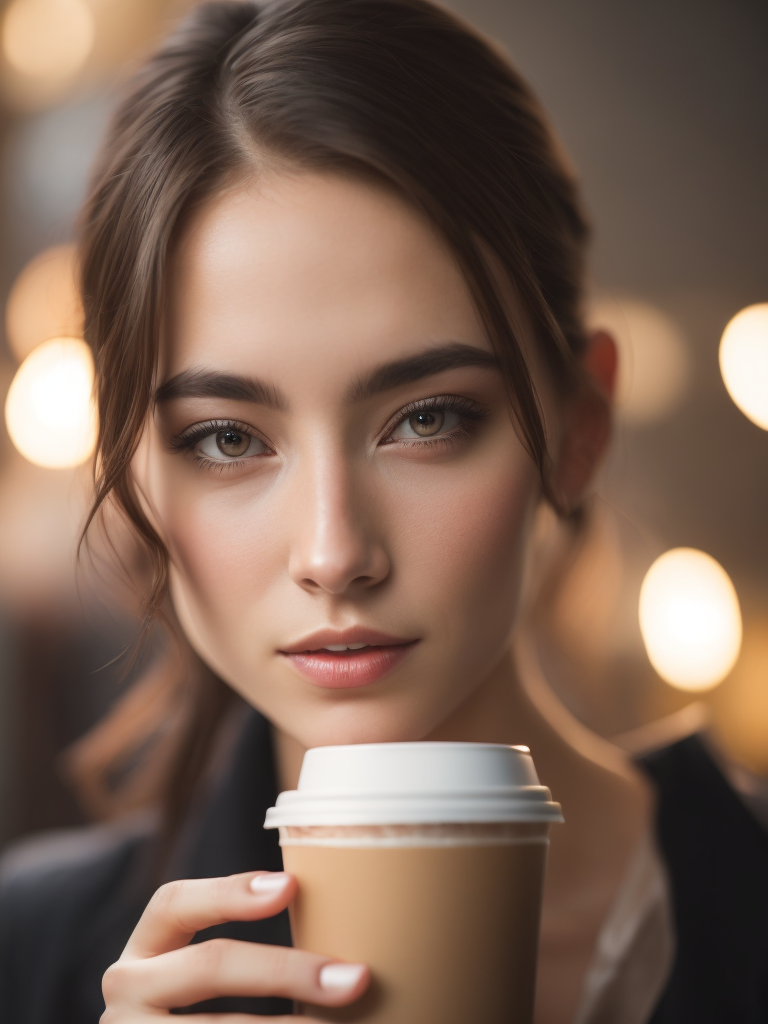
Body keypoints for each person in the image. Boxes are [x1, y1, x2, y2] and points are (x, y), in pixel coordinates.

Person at [1, 1, 766, 1022]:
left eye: (428, 419)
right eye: (228, 437)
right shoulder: (29, 956)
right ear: (131, 464)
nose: (333, 553)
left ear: (581, 424)